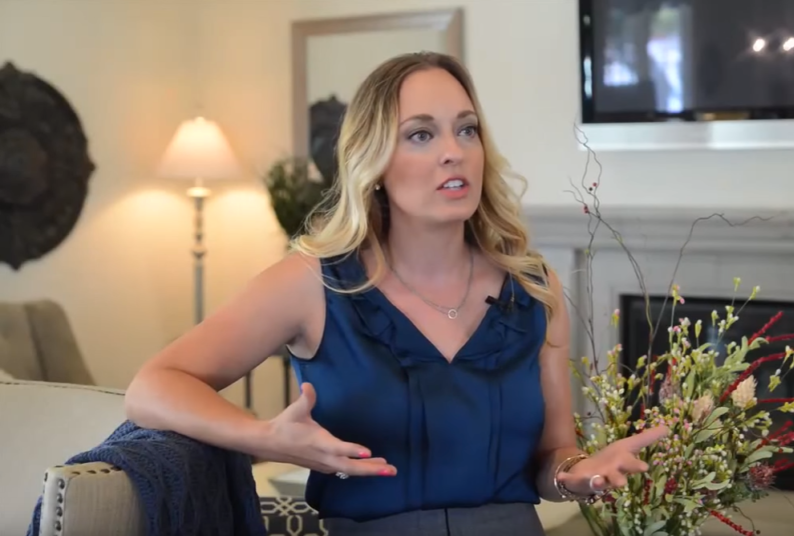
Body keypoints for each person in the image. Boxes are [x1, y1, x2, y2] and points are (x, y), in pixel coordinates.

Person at [124, 51, 668, 535]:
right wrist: (264, 437)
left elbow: (553, 458)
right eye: (421, 134)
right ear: (376, 162)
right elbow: (152, 387)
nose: (453, 152)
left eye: (467, 129)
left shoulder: (533, 286)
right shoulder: (311, 282)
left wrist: (581, 477)